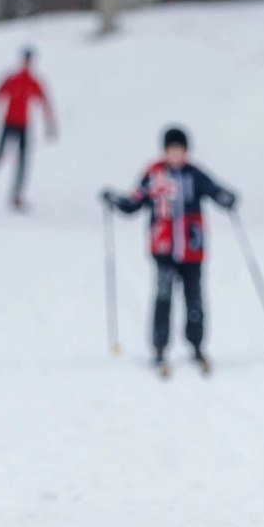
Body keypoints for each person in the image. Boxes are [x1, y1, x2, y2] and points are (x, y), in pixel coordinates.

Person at [100, 126, 237, 376]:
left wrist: (226, 198)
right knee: (163, 298)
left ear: (186, 151)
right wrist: (116, 200)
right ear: (165, 151)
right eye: (172, 149)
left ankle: (196, 345)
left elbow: (214, 191)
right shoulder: (155, 174)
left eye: (180, 150)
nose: (176, 154)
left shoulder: (195, 174)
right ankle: (160, 347)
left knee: (194, 299)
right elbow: (134, 202)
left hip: (192, 249)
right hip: (164, 249)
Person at [0, 46, 57, 210]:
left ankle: (17, 195)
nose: (27, 62)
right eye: (26, 59)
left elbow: (45, 102)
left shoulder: (33, 81)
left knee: (23, 161)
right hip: (9, 123)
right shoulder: (12, 79)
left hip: (24, 126)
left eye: (30, 59)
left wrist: (50, 124)